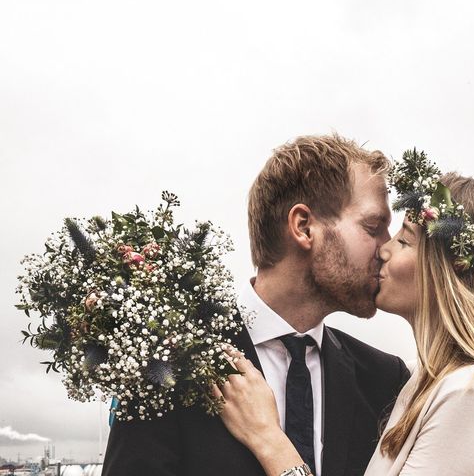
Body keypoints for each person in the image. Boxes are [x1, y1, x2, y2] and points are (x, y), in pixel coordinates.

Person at [215, 149, 474, 476]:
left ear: (449, 269)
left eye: (404, 240)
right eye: (374, 228)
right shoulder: (414, 381)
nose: (384, 249)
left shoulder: (473, 393)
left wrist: (269, 440)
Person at [101, 134, 410, 476]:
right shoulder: (167, 364)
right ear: (304, 227)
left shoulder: (385, 379)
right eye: (374, 226)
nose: (386, 248)